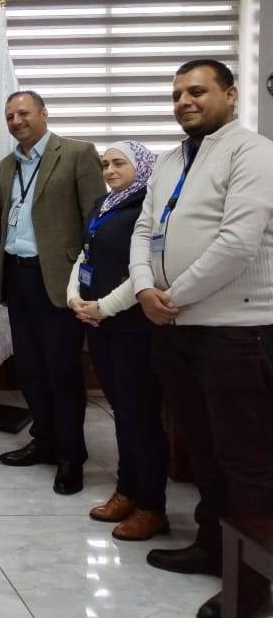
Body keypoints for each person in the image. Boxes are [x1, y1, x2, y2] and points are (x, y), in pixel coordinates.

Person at [130, 60, 273, 618]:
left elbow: (238, 243)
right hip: (176, 330)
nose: (184, 102)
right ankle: (213, 546)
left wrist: (173, 295)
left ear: (230, 95)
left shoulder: (253, 153)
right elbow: (144, 228)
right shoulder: (170, 161)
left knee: (245, 461)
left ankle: (250, 587)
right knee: (201, 450)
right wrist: (144, 288)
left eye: (197, 91)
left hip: (235, 333)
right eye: (177, 95)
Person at [0, 90, 105, 495]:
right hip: (17, 277)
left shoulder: (76, 154)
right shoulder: (7, 165)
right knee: (29, 370)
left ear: (43, 113)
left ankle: (71, 456)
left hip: (59, 280)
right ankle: (44, 441)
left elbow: (96, 221)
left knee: (62, 372)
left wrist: (90, 283)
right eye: (10, 116)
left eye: (23, 113)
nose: (16, 121)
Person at [66, 140, 169, 541]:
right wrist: (74, 296)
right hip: (100, 325)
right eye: (105, 164)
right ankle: (128, 491)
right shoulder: (104, 204)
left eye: (118, 163)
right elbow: (85, 255)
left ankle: (152, 507)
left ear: (140, 166)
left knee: (141, 416)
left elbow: (146, 269)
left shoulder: (149, 207)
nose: (109, 170)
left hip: (132, 326)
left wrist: (104, 307)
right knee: (122, 412)